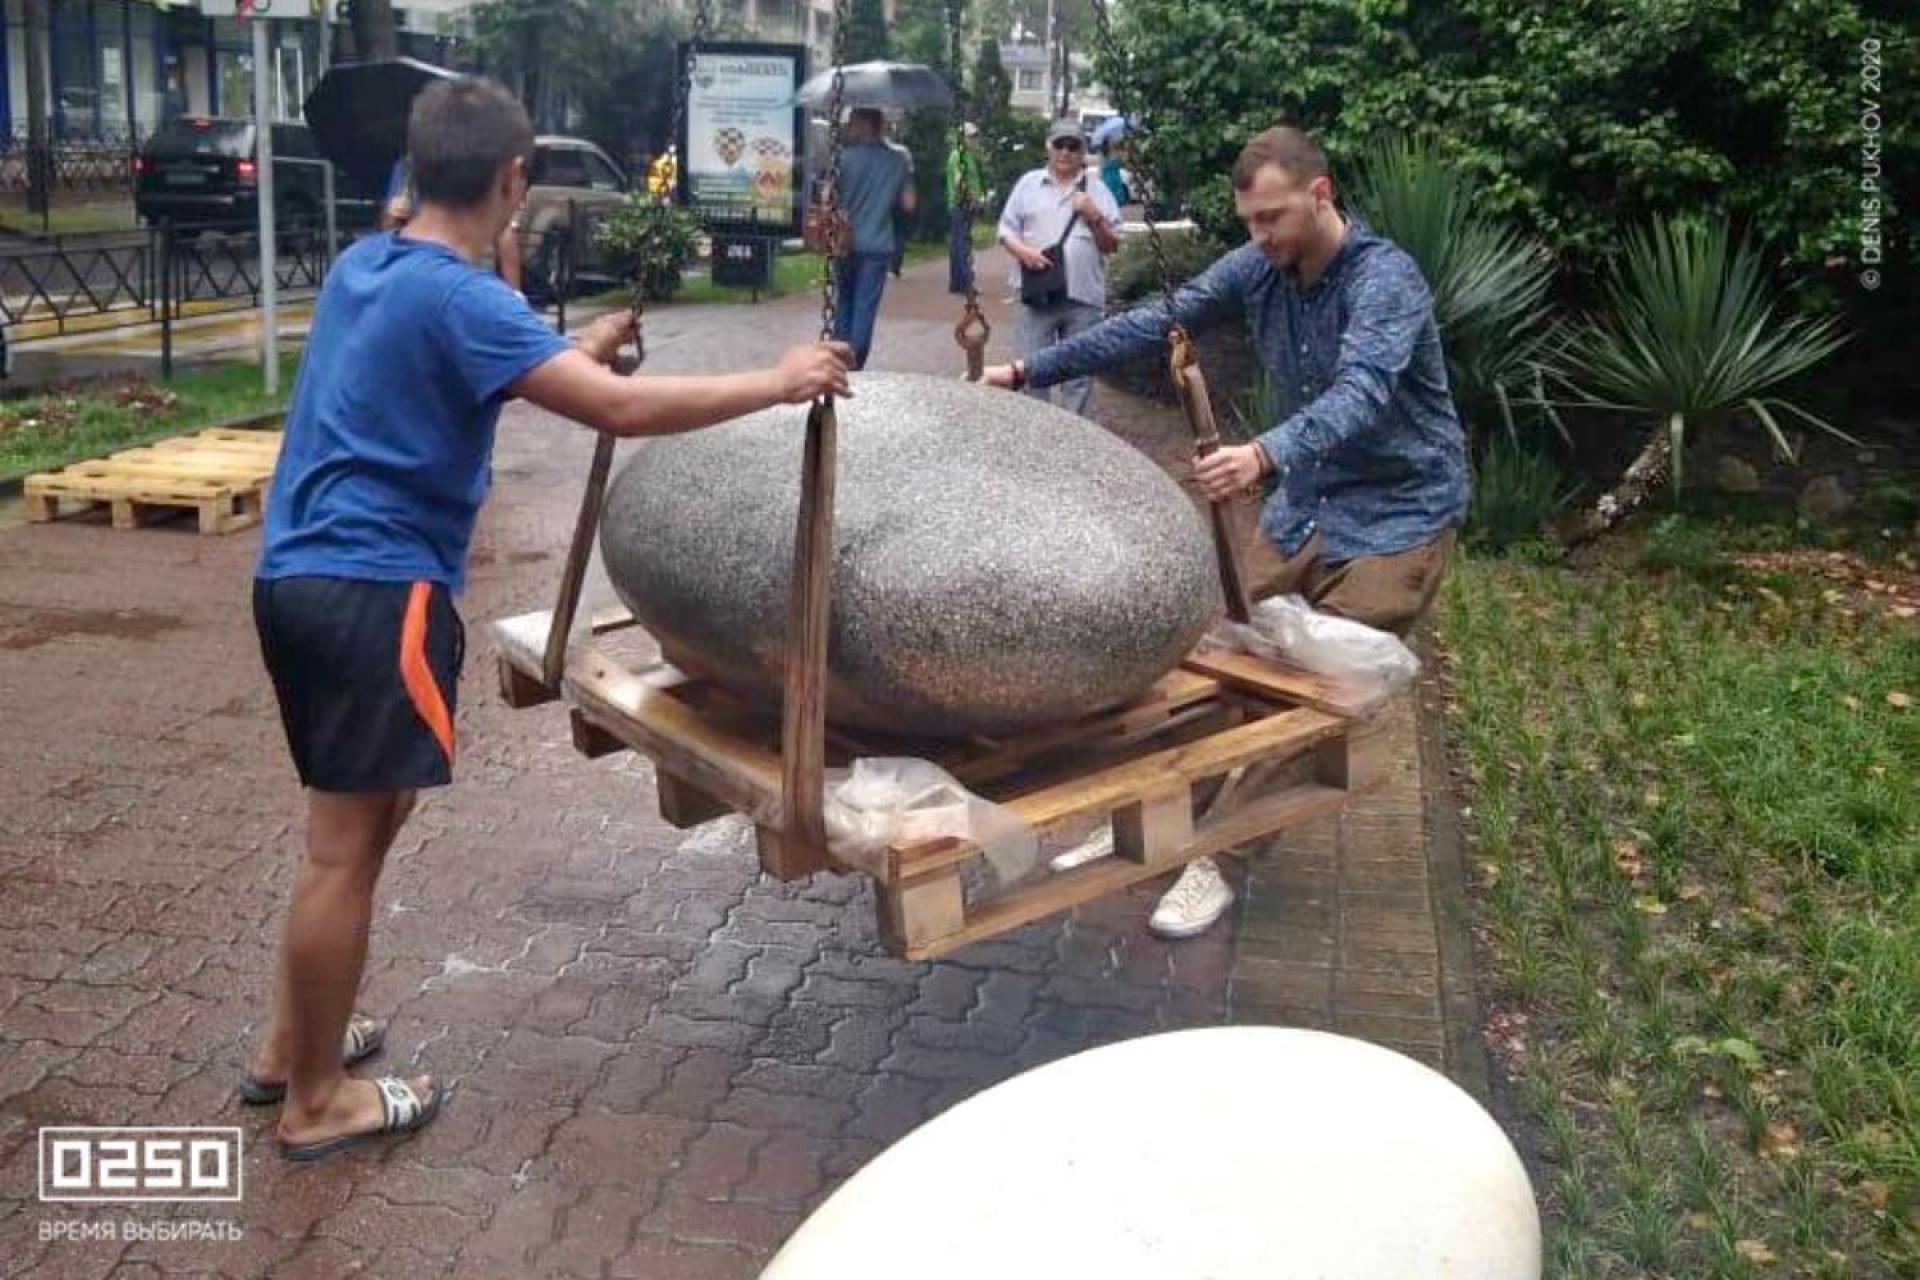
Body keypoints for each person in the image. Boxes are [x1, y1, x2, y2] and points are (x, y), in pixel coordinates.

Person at [244, 76, 851, 1162]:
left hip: (297, 580)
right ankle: (316, 1096)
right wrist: (781, 377)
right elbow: (615, 407)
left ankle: (297, 1041)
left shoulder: (365, 267)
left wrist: (573, 338)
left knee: (365, 823)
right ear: (515, 178)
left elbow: (479, 336)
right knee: (343, 846)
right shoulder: (462, 302)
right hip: (377, 591)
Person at [984, 125, 1468, 939]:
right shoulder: (1262, 267)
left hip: (1397, 518)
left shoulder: (1386, 280)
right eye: (1249, 221)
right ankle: (1159, 819)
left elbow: (1366, 393)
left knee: (1317, 697)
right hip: (1307, 509)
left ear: (1321, 195)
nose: (1260, 236)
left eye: (1273, 217)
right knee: (1226, 663)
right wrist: (1027, 371)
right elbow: (1154, 322)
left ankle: (1220, 859)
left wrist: (1262, 454)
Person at [996, 118, 1122, 418]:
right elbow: (1004, 231)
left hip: (1083, 296)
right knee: (1030, 368)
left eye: (1073, 146)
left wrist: (1094, 217)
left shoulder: (1098, 190)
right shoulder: (1028, 184)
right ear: (1048, 147)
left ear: (1082, 152)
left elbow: (1112, 245)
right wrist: (1023, 252)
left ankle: (1076, 439)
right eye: (1059, 144)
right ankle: (1037, 435)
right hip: (1037, 293)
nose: (1065, 152)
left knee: (1079, 376)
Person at [829, 106, 916, 369]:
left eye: (853, 123)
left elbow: (826, 198)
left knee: (843, 300)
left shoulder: (842, 159)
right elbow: (909, 204)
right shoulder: (898, 160)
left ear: (863, 126)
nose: (850, 128)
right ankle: (856, 364)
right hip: (878, 243)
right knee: (865, 306)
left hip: (844, 242)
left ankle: (836, 358)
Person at [384, 155, 523, 292]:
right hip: (413, 265)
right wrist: (392, 214)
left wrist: (515, 293)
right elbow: (388, 230)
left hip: (468, 267)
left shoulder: (478, 166)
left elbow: (504, 231)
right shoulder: (407, 167)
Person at [945, 120, 986, 295]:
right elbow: (959, 181)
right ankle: (964, 282)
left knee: (959, 243)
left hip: (964, 205)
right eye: (970, 137)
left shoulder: (968, 156)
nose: (974, 140)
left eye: (975, 136)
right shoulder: (959, 156)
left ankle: (957, 282)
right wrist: (971, 200)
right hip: (962, 205)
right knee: (961, 245)